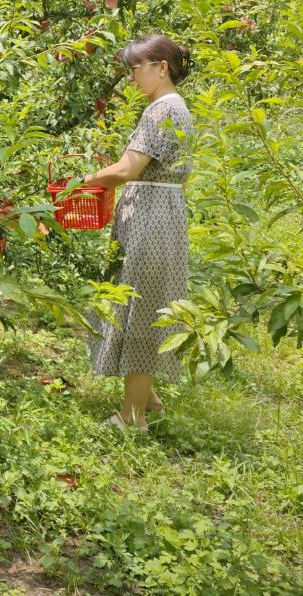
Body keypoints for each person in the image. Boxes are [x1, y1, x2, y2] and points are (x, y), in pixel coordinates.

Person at [82, 34, 194, 431]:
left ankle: (133, 417)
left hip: (151, 217)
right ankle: (147, 398)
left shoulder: (161, 110)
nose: (132, 78)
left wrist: (86, 179)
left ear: (161, 67)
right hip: (161, 212)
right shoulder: (173, 107)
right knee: (144, 300)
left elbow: (127, 169)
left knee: (143, 306)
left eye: (136, 69)